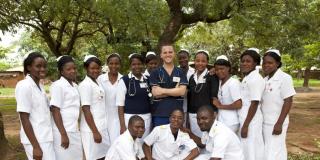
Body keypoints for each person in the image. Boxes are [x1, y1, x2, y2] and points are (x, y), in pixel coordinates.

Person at [15, 52, 55, 160]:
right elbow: (24, 118)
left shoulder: (40, 85)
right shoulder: (24, 86)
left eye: (44, 66)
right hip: (36, 140)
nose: (42, 69)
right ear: (28, 67)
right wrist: (35, 146)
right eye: (38, 66)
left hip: (45, 137)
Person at [261, 49, 296, 160]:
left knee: (273, 152)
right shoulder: (265, 79)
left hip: (276, 122)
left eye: (270, 63)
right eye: (264, 62)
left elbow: (288, 100)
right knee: (273, 151)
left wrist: (279, 123)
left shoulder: (285, 78)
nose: (266, 65)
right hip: (265, 122)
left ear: (277, 63)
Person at [50, 55, 82, 160]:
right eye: (68, 69)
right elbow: (55, 110)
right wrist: (63, 135)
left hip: (74, 130)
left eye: (74, 68)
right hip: (63, 131)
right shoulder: (58, 85)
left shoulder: (75, 86)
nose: (72, 71)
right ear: (61, 72)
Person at [149, 44, 188, 127]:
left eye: (170, 52)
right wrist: (175, 90)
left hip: (177, 115)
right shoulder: (155, 72)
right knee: (161, 139)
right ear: (161, 55)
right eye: (165, 52)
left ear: (174, 54)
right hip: (160, 113)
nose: (168, 54)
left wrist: (162, 90)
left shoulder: (180, 72)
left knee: (176, 139)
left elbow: (182, 91)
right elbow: (155, 93)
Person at [79, 55, 109, 160]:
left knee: (103, 156)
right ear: (86, 68)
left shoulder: (97, 83)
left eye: (98, 68)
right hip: (91, 130)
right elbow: (86, 109)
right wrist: (95, 132)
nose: (95, 70)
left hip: (101, 127)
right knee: (94, 157)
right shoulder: (85, 85)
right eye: (92, 68)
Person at [117, 53, 152, 138]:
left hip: (146, 118)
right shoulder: (124, 80)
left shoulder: (148, 79)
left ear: (143, 65)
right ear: (130, 66)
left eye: (139, 64)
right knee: (130, 143)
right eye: (134, 64)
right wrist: (122, 125)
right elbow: (120, 104)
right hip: (130, 119)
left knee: (144, 142)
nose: (137, 66)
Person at [239, 48, 265, 160]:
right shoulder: (248, 77)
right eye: (243, 61)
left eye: (248, 61)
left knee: (251, 149)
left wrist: (245, 125)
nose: (244, 63)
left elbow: (254, 103)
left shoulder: (255, 79)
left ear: (255, 63)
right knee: (246, 148)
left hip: (251, 121)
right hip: (245, 118)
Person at [187, 50, 219, 137]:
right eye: (197, 61)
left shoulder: (212, 76)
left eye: (203, 61)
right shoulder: (191, 78)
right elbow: (189, 97)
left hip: (207, 115)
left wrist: (214, 113)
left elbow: (214, 95)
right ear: (194, 61)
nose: (200, 63)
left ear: (207, 62)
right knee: (196, 139)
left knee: (207, 139)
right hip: (193, 114)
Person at [98, 53, 123, 144]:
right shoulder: (100, 79)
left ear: (120, 65)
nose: (114, 66)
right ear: (107, 64)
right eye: (111, 63)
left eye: (116, 64)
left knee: (116, 144)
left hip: (118, 119)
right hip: (102, 118)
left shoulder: (124, 80)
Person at [212, 55, 242, 132]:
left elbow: (238, 104)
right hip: (222, 120)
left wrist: (220, 106)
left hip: (231, 122)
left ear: (228, 68)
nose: (219, 71)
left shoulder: (233, 82)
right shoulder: (220, 82)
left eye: (222, 69)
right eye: (217, 69)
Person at [177, 49, 195, 126]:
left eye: (184, 58)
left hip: (192, 103)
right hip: (180, 104)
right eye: (180, 58)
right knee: (181, 125)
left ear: (189, 57)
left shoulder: (194, 71)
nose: (182, 60)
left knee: (191, 126)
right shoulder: (175, 71)